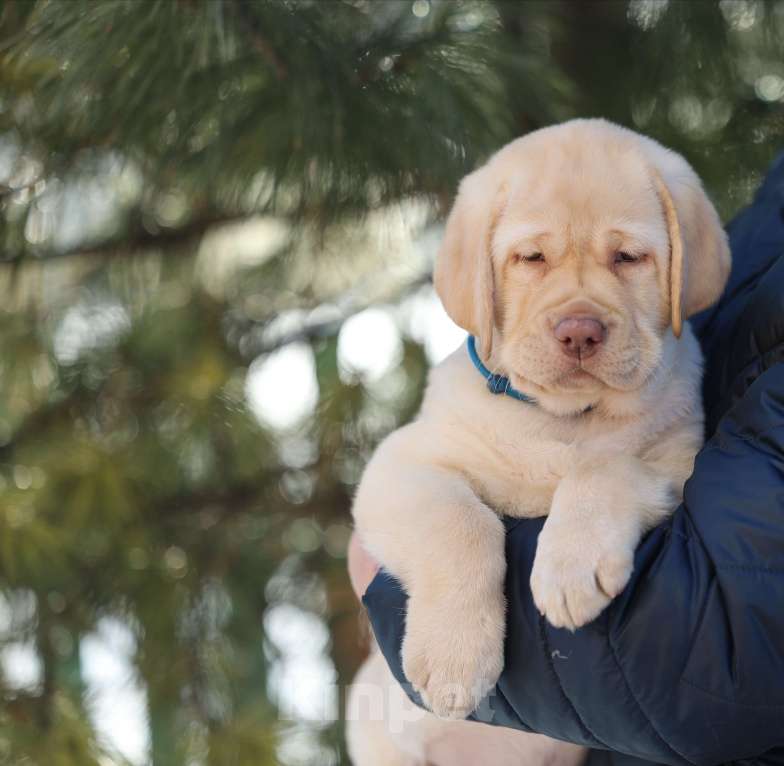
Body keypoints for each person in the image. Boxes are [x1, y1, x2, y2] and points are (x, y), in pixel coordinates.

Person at [348, 152, 784, 766]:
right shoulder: (767, 221)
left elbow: (717, 609)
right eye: (533, 258)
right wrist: (451, 565)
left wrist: (609, 487)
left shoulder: (675, 380)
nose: (579, 320)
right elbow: (400, 482)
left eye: (625, 257)